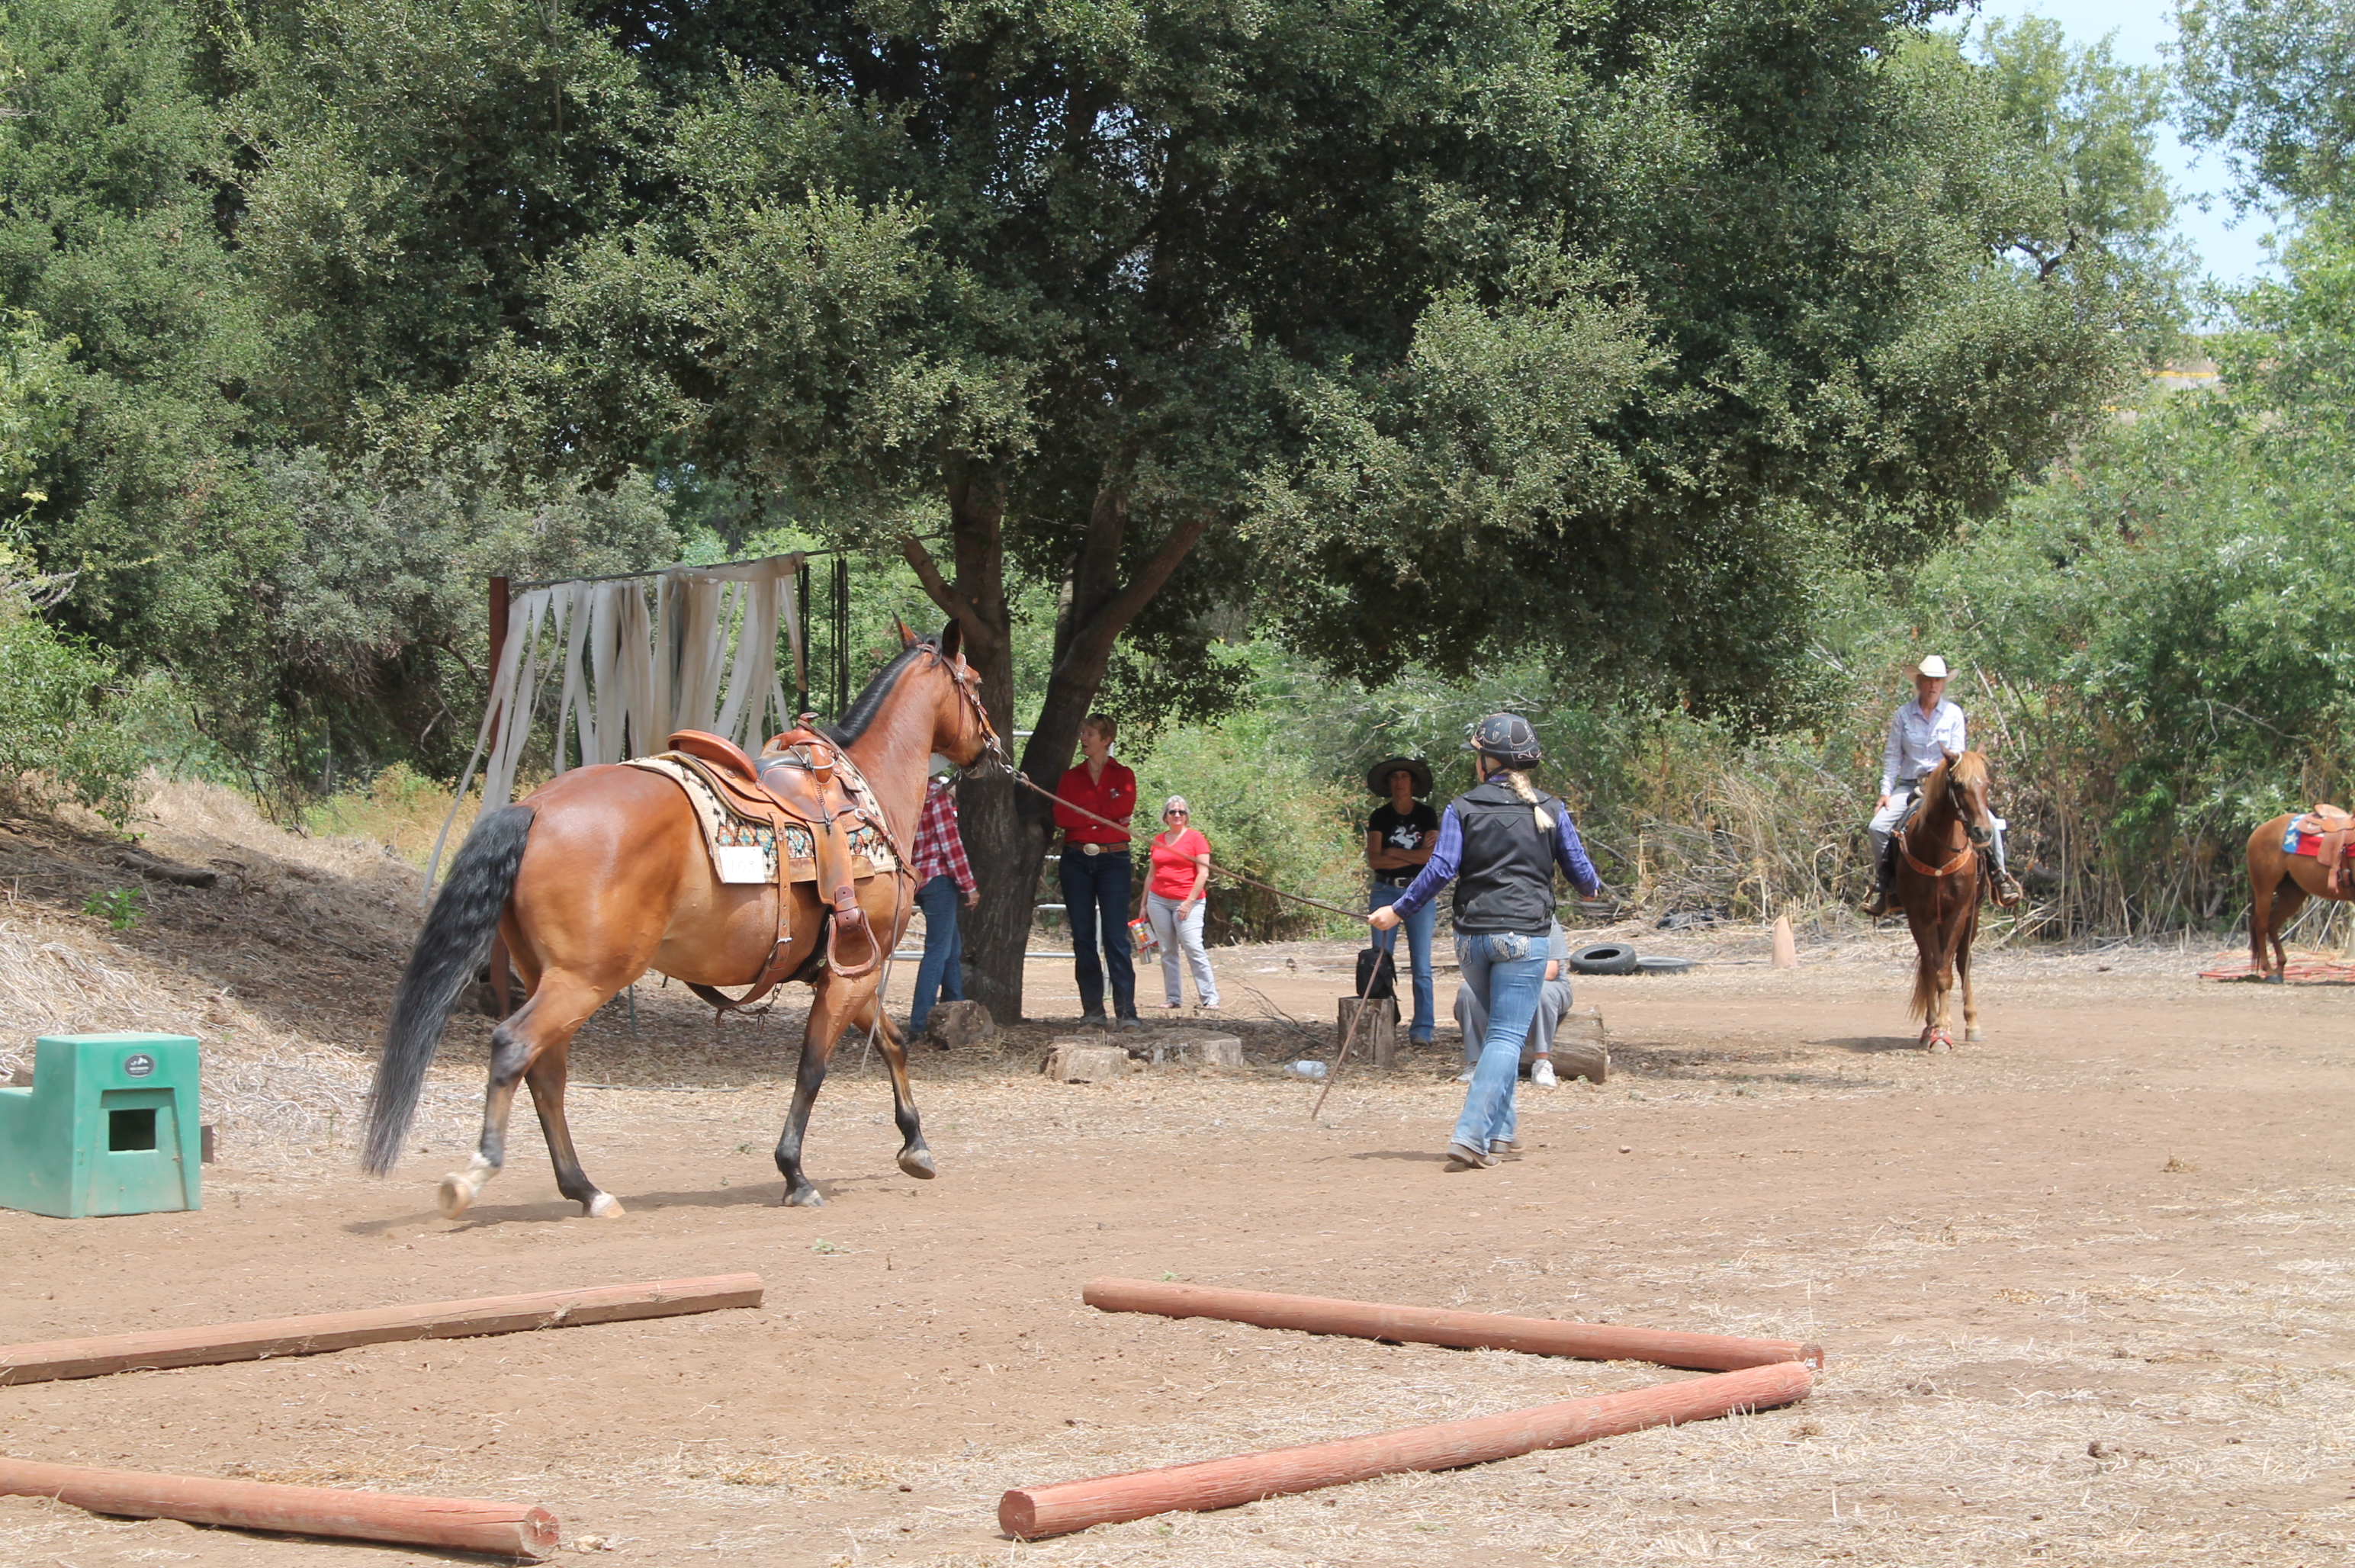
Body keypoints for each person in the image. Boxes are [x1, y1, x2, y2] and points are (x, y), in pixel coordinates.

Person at [1370, 713, 1601, 1171]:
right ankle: (1471, 1135)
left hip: (1473, 940)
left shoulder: (1462, 807)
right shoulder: (1550, 809)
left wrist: (1397, 909)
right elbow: (1584, 879)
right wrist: (1588, 885)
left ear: (1487, 761)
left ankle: (1502, 1130)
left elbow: (1439, 870)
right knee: (1507, 1036)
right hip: (1526, 937)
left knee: (1502, 1033)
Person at [1862, 656, 2021, 916]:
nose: (1933, 686)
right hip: (1911, 784)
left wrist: (1949, 780)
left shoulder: (1953, 713)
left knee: (1989, 822)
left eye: (1938, 681)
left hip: (1947, 784)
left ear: (1943, 684)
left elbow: (1957, 756)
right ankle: (1886, 885)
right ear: (1919, 683)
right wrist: (1885, 792)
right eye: (1928, 680)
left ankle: (2000, 878)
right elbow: (1892, 755)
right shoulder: (1903, 714)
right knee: (1878, 827)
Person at [1054, 712, 1140, 1027]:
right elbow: (1062, 815)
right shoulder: (1070, 777)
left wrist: (1087, 815)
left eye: (1090, 734)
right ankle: (1093, 1011)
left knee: (1116, 936)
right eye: (1083, 732)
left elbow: (1123, 808)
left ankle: (1126, 1012)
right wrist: (1100, 818)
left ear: (1106, 740)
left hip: (1113, 860)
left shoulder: (1124, 774)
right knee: (1083, 936)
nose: (1083, 738)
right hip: (1076, 860)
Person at [1364, 756, 1438, 1046]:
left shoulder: (1426, 814)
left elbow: (1429, 858)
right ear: (1388, 784)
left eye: (1404, 777)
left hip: (1419, 893)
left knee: (1422, 965)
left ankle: (1423, 1029)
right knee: (1379, 961)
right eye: (1394, 778)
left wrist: (1393, 853)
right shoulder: (1379, 816)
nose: (1399, 783)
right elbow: (1374, 859)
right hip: (1385, 891)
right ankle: (1382, 1024)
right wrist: (1410, 855)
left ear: (1413, 783)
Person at [1454, 921, 1571, 1091]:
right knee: (1468, 991)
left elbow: (1550, 971)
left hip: (1546, 983)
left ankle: (1542, 1063)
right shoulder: (1485, 919)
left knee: (1540, 993)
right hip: (1500, 983)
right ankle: (1476, 1063)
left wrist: (1510, 982)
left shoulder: (1545, 917)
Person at [906, 772, 979, 1037]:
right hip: (938, 878)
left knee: (951, 946)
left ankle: (954, 1009)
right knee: (938, 951)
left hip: (917, 876)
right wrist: (969, 885)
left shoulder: (907, 789)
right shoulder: (934, 794)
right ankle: (919, 1022)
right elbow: (951, 844)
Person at [1144, 795, 1220, 1011]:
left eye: (1181, 812)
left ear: (1187, 816)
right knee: (1167, 950)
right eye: (1172, 812)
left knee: (1193, 947)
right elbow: (1151, 874)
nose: (1177, 815)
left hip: (1188, 900)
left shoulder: (1196, 839)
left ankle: (1210, 997)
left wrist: (1188, 902)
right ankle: (1173, 997)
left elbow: (1203, 873)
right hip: (1158, 899)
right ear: (1165, 816)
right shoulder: (1158, 839)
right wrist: (1143, 904)